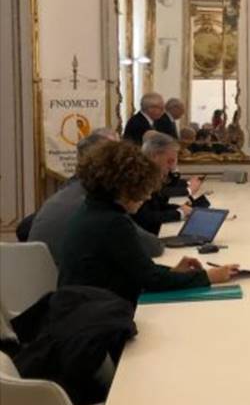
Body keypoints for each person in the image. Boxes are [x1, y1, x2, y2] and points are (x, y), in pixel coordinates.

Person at [56, 140, 238, 306]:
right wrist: (207, 277)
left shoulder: (91, 210)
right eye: (143, 188)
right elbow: (151, 279)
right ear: (125, 187)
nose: (148, 196)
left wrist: (172, 273)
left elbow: (139, 268)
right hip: (98, 315)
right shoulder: (113, 223)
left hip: (81, 308)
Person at [28, 130, 164, 265]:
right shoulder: (96, 204)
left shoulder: (67, 192)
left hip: (37, 273)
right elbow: (152, 247)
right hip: (69, 276)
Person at [133, 132, 201, 235]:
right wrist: (179, 213)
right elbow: (144, 217)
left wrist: (180, 209)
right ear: (154, 156)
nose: (172, 167)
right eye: (169, 161)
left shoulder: (150, 175)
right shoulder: (137, 177)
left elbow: (158, 206)